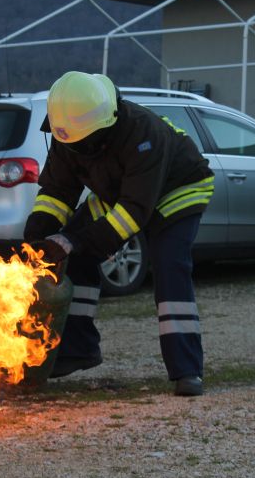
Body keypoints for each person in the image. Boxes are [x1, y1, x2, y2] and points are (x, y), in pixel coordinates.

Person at [24, 71, 214, 396]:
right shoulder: (68, 134)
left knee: (169, 266)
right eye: (73, 143)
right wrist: (36, 239)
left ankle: (187, 370)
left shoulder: (144, 133)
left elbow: (134, 213)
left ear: (106, 124)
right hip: (122, 192)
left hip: (177, 190)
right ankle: (77, 350)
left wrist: (74, 240)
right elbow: (57, 192)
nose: (79, 149)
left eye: (85, 142)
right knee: (74, 258)